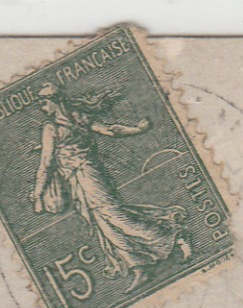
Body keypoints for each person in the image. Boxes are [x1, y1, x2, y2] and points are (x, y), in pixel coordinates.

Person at [31, 81, 191, 290]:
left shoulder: (52, 127)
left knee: (116, 217)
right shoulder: (78, 118)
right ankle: (139, 268)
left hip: (88, 176)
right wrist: (137, 129)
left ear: (55, 101)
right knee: (103, 223)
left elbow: (47, 163)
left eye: (44, 103)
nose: (42, 109)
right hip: (78, 181)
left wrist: (37, 193)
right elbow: (111, 131)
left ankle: (173, 236)